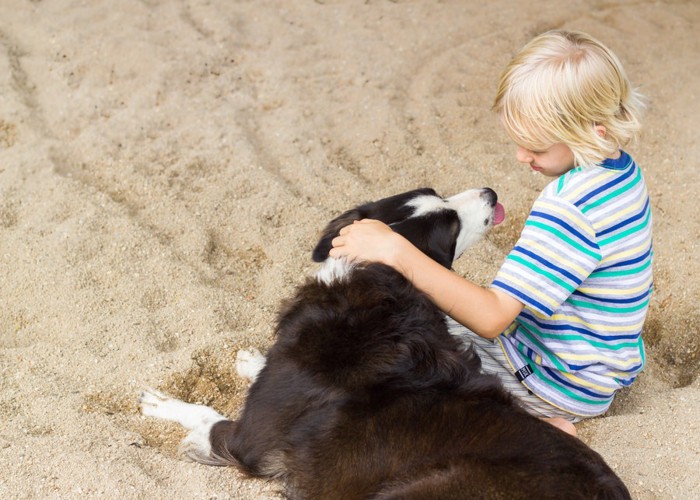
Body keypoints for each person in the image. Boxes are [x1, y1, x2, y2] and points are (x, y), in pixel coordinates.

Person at [329, 30, 653, 436]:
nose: (522, 156)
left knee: (404, 350)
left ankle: (538, 427)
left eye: (535, 146)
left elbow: (491, 317)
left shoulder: (569, 207)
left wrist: (395, 250)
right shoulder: (623, 174)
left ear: (595, 130)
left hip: (551, 379)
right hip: (597, 367)